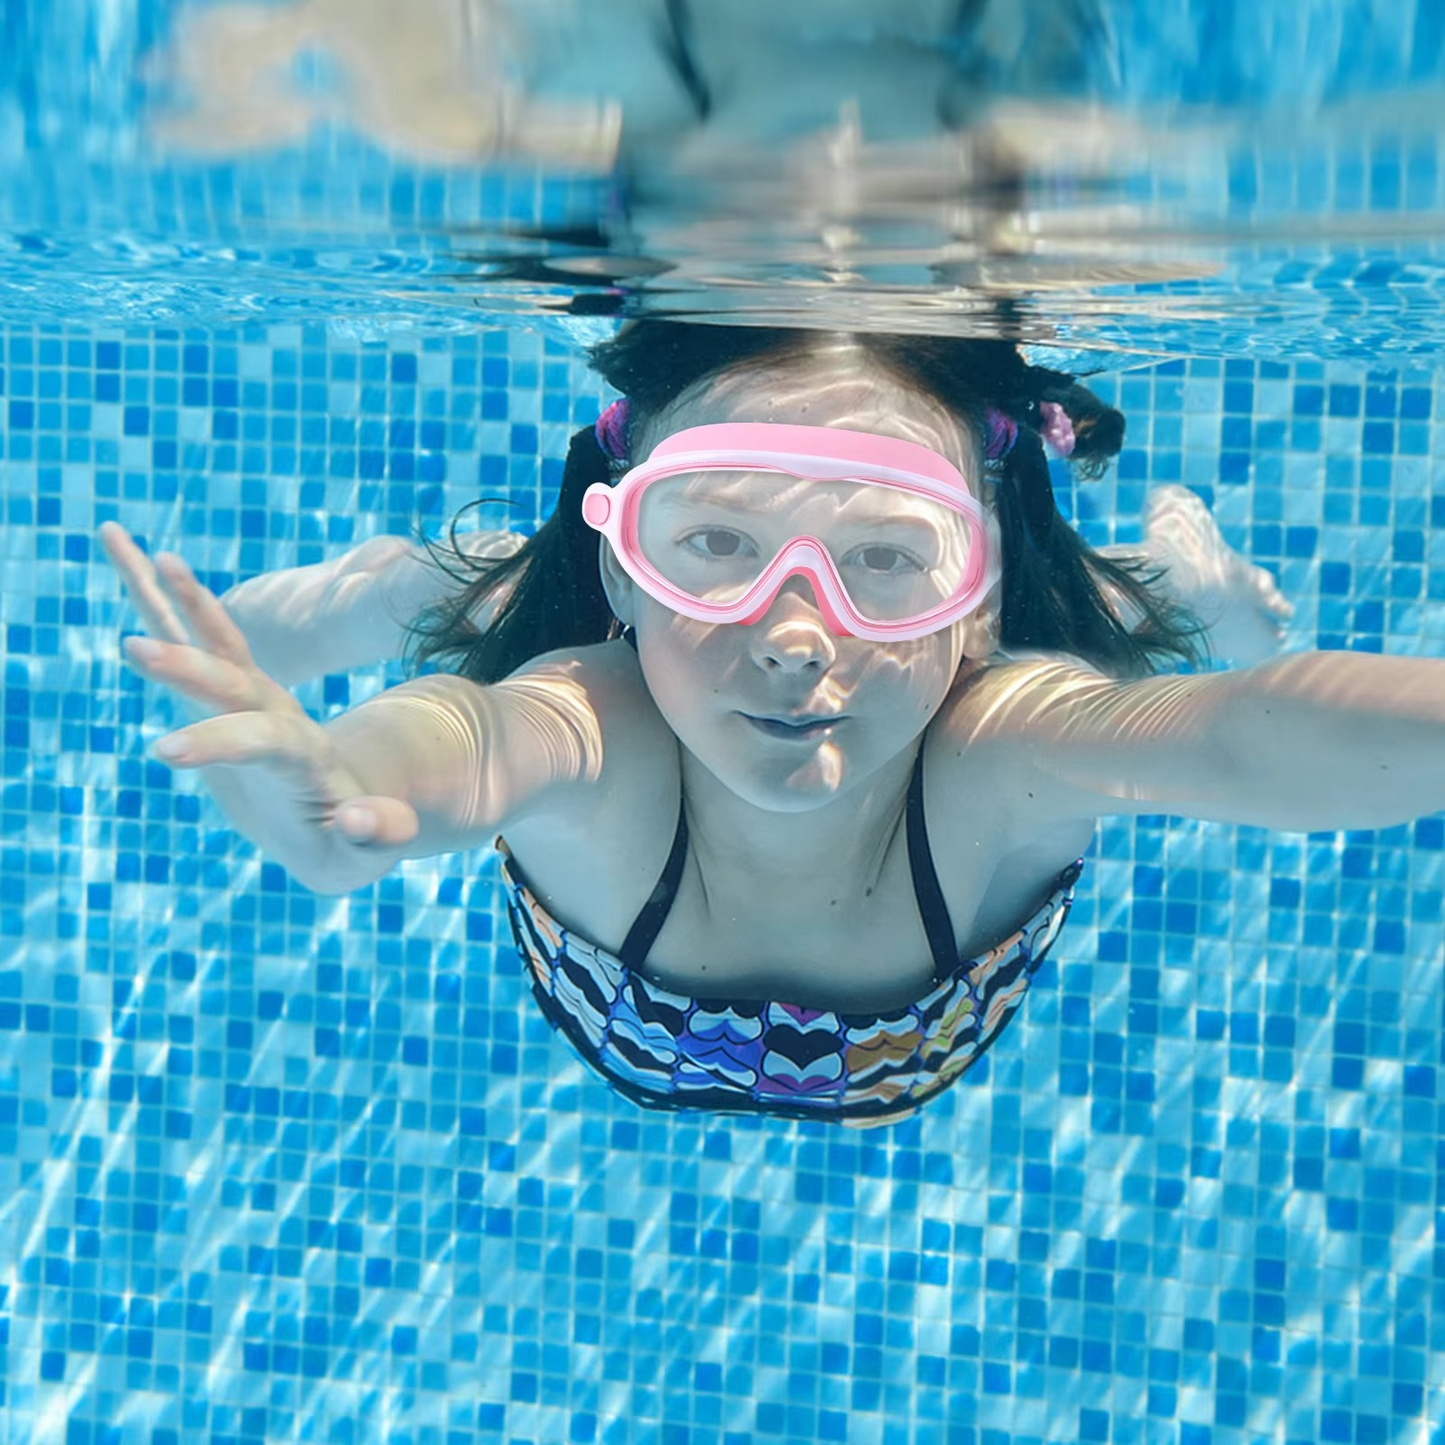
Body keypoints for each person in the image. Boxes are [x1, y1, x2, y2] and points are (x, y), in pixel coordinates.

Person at [104, 321, 1431, 1132]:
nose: (798, 635)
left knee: (1158, 625)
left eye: (887, 561)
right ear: (628, 568)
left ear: (976, 598)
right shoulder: (602, 721)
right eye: (716, 542)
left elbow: (1235, 736)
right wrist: (341, 786)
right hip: (859, 1010)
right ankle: (352, 599)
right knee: (452, 599)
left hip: (721, 1001)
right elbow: (477, 736)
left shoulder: (997, 750)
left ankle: (1208, 590)